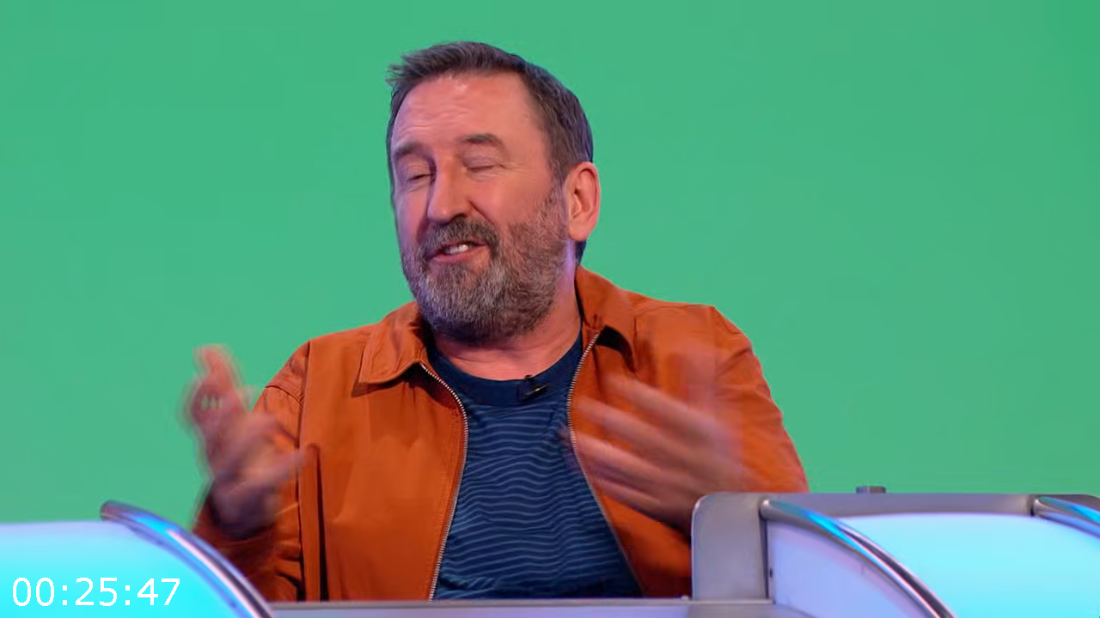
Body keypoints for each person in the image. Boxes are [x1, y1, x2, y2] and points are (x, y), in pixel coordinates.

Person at [186, 41, 807, 602]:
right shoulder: (317, 391)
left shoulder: (691, 354)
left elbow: (823, 589)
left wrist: (733, 514)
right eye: (415, 175)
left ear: (577, 201)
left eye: (479, 165)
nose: (441, 205)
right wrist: (240, 528)